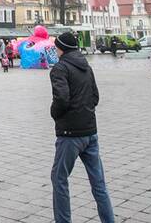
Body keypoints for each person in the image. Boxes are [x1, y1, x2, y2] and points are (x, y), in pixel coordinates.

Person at [49, 31, 115, 223]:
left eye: (56, 47)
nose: (55, 50)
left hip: (70, 134)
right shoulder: (86, 66)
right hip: (90, 131)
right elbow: (95, 97)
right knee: (98, 182)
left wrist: (55, 113)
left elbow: (61, 98)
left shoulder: (60, 69)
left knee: (59, 178)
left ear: (61, 48)